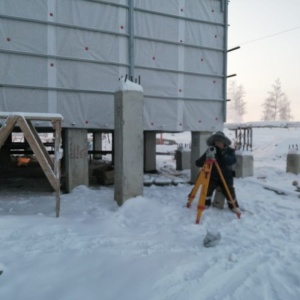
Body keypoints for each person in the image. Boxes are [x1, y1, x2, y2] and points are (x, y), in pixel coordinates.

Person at [195, 131, 239, 210]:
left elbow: (232, 160)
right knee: (207, 188)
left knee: (229, 191)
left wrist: (222, 155)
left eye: (220, 142)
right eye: (216, 142)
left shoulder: (230, 151)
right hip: (212, 176)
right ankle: (206, 203)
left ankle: (233, 206)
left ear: (224, 143)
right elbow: (199, 163)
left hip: (226, 176)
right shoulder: (211, 150)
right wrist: (207, 157)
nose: (218, 144)